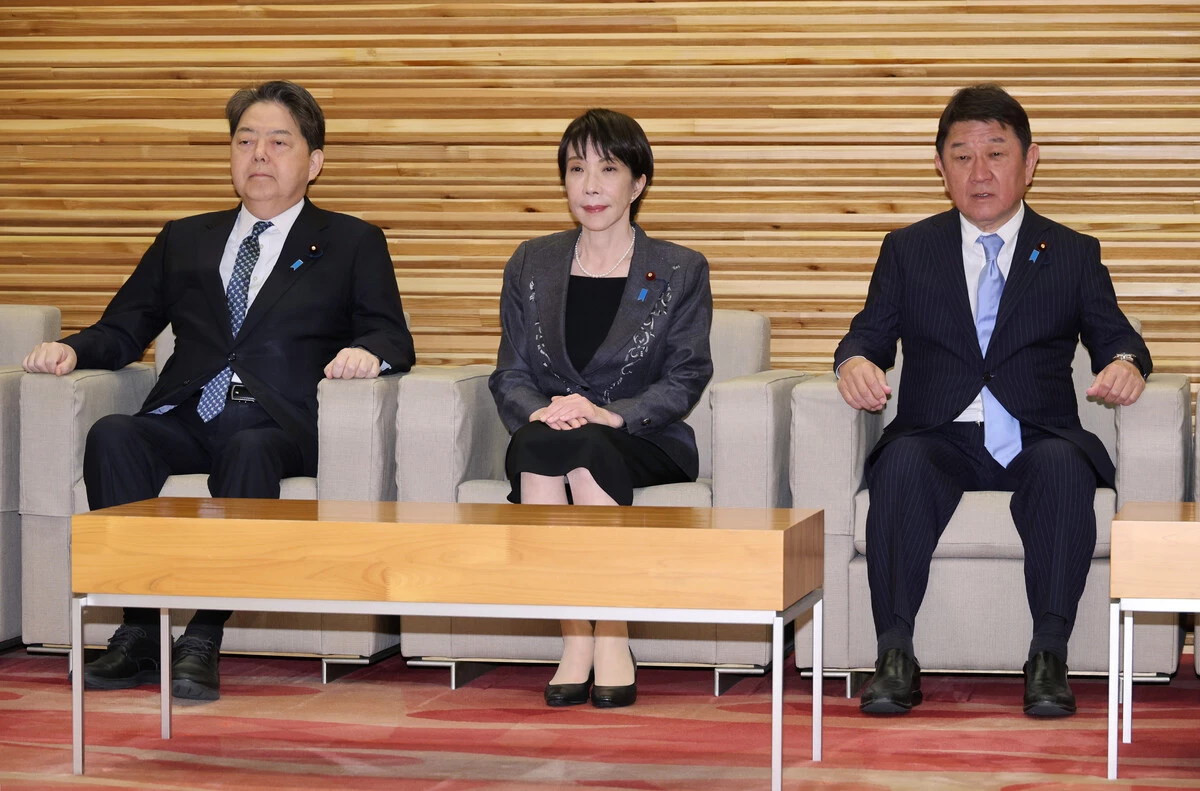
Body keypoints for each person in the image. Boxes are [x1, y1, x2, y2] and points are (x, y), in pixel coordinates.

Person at [23, 80, 415, 702]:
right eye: (245, 141)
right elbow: (124, 326)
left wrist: (367, 353)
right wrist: (72, 349)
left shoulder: (350, 241)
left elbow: (391, 334)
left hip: (277, 423)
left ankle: (203, 636)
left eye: (278, 142)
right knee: (115, 435)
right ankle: (139, 630)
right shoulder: (186, 238)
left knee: (248, 448)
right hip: (188, 413)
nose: (259, 154)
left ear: (313, 162)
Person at [834, 84, 1148, 718]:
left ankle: (1048, 657)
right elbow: (867, 335)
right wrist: (855, 361)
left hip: (1036, 433)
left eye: (996, 154)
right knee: (899, 466)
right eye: (962, 156)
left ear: (1030, 162)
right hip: (939, 433)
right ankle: (894, 656)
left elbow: (1118, 338)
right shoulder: (908, 250)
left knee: (1064, 470)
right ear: (940, 166)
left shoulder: (1072, 252)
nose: (979, 173)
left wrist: (1125, 364)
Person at [489, 108, 714, 709]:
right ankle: (576, 636)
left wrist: (609, 414)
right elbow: (510, 372)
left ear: (638, 183)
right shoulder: (531, 262)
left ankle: (611, 631)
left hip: (643, 437)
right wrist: (541, 412)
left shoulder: (679, 269)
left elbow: (688, 374)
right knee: (539, 443)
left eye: (608, 169)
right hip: (551, 430)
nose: (590, 185)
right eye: (576, 169)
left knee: (582, 447)